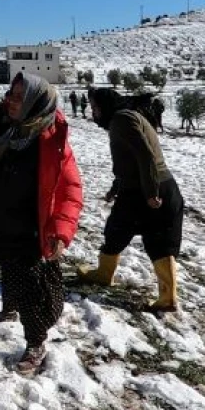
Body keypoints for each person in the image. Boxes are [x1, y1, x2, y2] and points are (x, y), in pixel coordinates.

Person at [0, 73, 83, 372]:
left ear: (34, 103)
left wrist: (62, 233)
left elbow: (70, 189)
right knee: (7, 266)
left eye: (17, 97)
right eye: (10, 94)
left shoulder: (51, 138)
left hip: (30, 225)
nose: (8, 101)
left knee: (31, 285)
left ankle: (35, 341)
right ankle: (9, 309)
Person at [77, 87, 184, 312]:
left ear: (105, 107)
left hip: (144, 190)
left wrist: (151, 192)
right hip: (158, 186)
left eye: (94, 107)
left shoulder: (122, 120)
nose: (92, 113)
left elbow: (145, 155)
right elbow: (131, 160)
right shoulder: (128, 117)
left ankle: (105, 274)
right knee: (156, 239)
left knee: (120, 231)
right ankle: (167, 297)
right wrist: (116, 187)